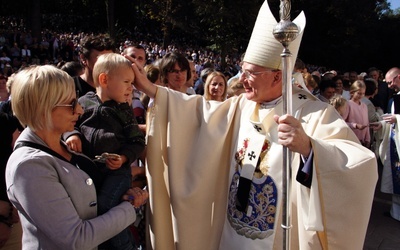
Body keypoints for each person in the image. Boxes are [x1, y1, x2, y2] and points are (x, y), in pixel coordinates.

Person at [127, 1, 377, 249]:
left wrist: (309, 148)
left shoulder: (314, 114)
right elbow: (198, 112)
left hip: (278, 238)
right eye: (242, 71)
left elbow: (359, 163)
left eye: (250, 73)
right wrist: (151, 89)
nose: (241, 79)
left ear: (278, 76)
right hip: (231, 231)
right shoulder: (242, 106)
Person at [6, 65, 148, 250]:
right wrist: (129, 208)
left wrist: (122, 198)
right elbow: (76, 238)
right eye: (71, 104)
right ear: (44, 108)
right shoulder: (29, 166)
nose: (80, 110)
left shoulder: (60, 145)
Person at [64, 54, 146, 250]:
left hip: (117, 173)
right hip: (87, 171)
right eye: (126, 82)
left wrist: (124, 158)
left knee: (107, 207)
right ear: (104, 80)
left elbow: (137, 141)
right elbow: (69, 123)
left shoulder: (124, 111)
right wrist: (72, 135)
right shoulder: (83, 102)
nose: (131, 88)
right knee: (90, 211)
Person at [375, 67, 400, 222]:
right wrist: (381, 125)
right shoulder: (394, 98)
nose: (390, 86)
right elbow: (392, 121)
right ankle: (395, 213)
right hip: (395, 143)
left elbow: (396, 119)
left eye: (391, 82)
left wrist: (397, 119)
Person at [344, 80, 370, 148]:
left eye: (363, 93)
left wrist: (368, 139)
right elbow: (342, 122)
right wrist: (355, 125)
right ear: (352, 93)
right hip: (351, 141)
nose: (361, 96)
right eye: (359, 93)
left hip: (362, 141)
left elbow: (366, 123)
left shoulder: (364, 106)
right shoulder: (348, 104)